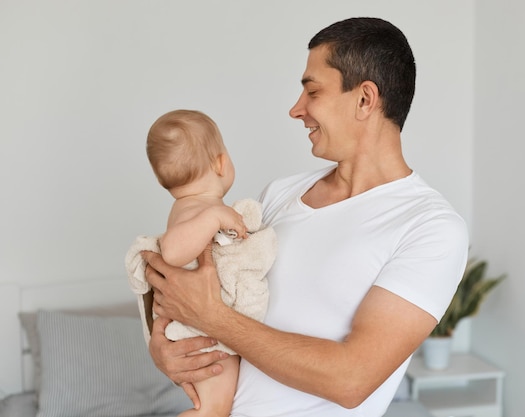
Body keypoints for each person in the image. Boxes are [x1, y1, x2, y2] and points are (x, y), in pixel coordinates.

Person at [142, 17, 468, 417]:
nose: (297, 110)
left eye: (312, 92)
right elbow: (209, 298)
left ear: (365, 99)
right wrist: (166, 350)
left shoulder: (430, 227)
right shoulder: (280, 195)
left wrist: (213, 318)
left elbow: (351, 380)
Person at [125, 109, 276, 417]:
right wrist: (215, 216)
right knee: (212, 411)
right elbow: (172, 251)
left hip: (207, 329)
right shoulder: (191, 209)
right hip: (200, 335)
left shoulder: (195, 207)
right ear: (221, 162)